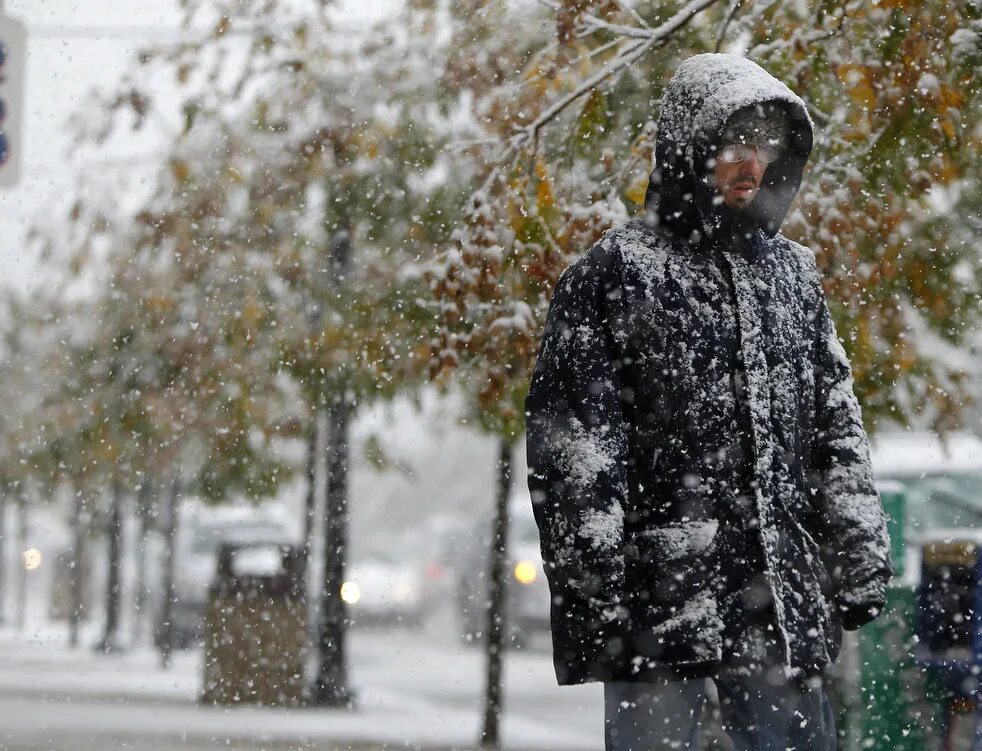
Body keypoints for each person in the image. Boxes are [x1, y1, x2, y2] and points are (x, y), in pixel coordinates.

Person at [525, 53, 892, 750]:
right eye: (732, 143)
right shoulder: (613, 278)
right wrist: (595, 591)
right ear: (689, 146)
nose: (750, 163)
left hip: (779, 605)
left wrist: (857, 552)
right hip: (659, 610)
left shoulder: (793, 279)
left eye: (764, 145)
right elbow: (576, 455)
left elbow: (835, 429)